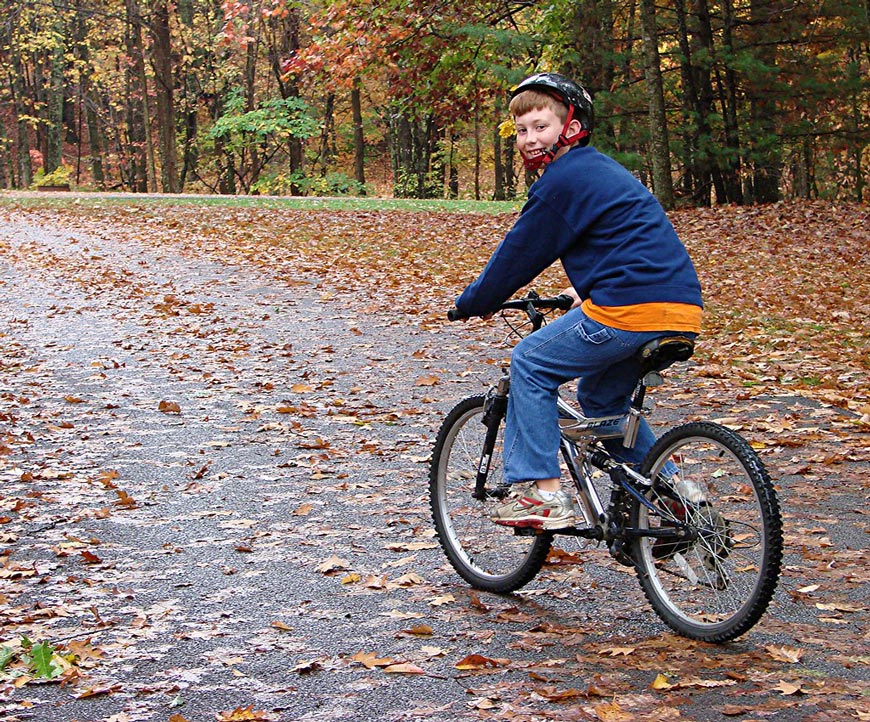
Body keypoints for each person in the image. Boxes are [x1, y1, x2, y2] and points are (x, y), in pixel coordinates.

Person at [452, 72, 703, 530]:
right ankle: (674, 499)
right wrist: (581, 291)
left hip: (628, 309)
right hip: (678, 308)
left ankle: (541, 493)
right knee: (600, 396)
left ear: (571, 126)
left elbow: (520, 253)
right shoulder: (602, 171)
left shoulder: (563, 179)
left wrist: (475, 300)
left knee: (531, 361)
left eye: (541, 126)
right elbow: (628, 245)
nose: (529, 139)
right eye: (521, 130)